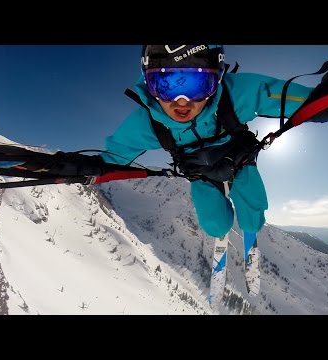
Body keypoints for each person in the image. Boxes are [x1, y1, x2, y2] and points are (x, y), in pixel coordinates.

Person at [100, 45, 313, 238]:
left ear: (216, 82)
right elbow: (112, 157)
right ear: (149, 85)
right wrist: (79, 167)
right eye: (165, 85)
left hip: (239, 161)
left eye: (197, 84)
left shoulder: (232, 95)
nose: (181, 102)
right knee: (215, 225)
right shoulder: (150, 121)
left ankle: (250, 227)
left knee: (252, 217)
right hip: (201, 174)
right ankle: (234, 225)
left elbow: (300, 99)